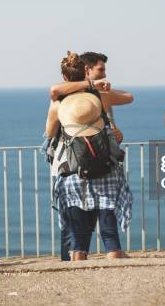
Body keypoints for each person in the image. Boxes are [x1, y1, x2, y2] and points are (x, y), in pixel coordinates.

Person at [45, 52, 133, 261]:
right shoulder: (99, 96)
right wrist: (96, 86)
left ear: (65, 77)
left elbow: (49, 134)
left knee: (78, 239)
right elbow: (128, 97)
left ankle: (78, 281)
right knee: (110, 234)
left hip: (74, 173)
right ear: (85, 72)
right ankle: (114, 280)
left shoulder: (58, 103)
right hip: (104, 169)